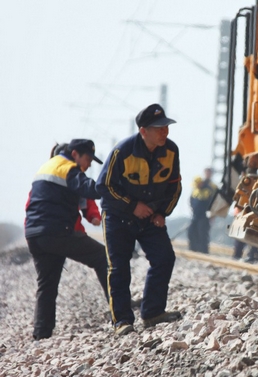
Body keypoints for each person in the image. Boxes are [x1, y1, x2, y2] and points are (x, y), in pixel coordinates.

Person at [96, 103, 182, 336]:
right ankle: (122, 321)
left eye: (165, 127)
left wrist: (162, 213)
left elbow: (174, 188)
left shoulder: (171, 151)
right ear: (143, 131)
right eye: (158, 128)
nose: (164, 132)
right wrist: (133, 206)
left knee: (164, 258)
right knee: (119, 268)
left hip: (150, 217)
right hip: (118, 217)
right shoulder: (122, 151)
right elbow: (103, 186)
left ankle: (153, 313)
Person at [25, 139, 108, 340]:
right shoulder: (68, 169)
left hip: (35, 234)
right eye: (87, 159)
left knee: (47, 283)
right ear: (75, 154)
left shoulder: (47, 167)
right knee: (103, 257)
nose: (88, 165)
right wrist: (111, 184)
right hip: (56, 232)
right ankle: (120, 308)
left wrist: (91, 216)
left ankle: (41, 334)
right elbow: (90, 189)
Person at [188, 167, 217, 253]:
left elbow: (213, 202)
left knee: (203, 234)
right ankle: (193, 250)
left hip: (204, 216)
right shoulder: (196, 190)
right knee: (192, 232)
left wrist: (213, 214)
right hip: (195, 215)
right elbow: (191, 200)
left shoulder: (210, 188)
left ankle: (203, 251)